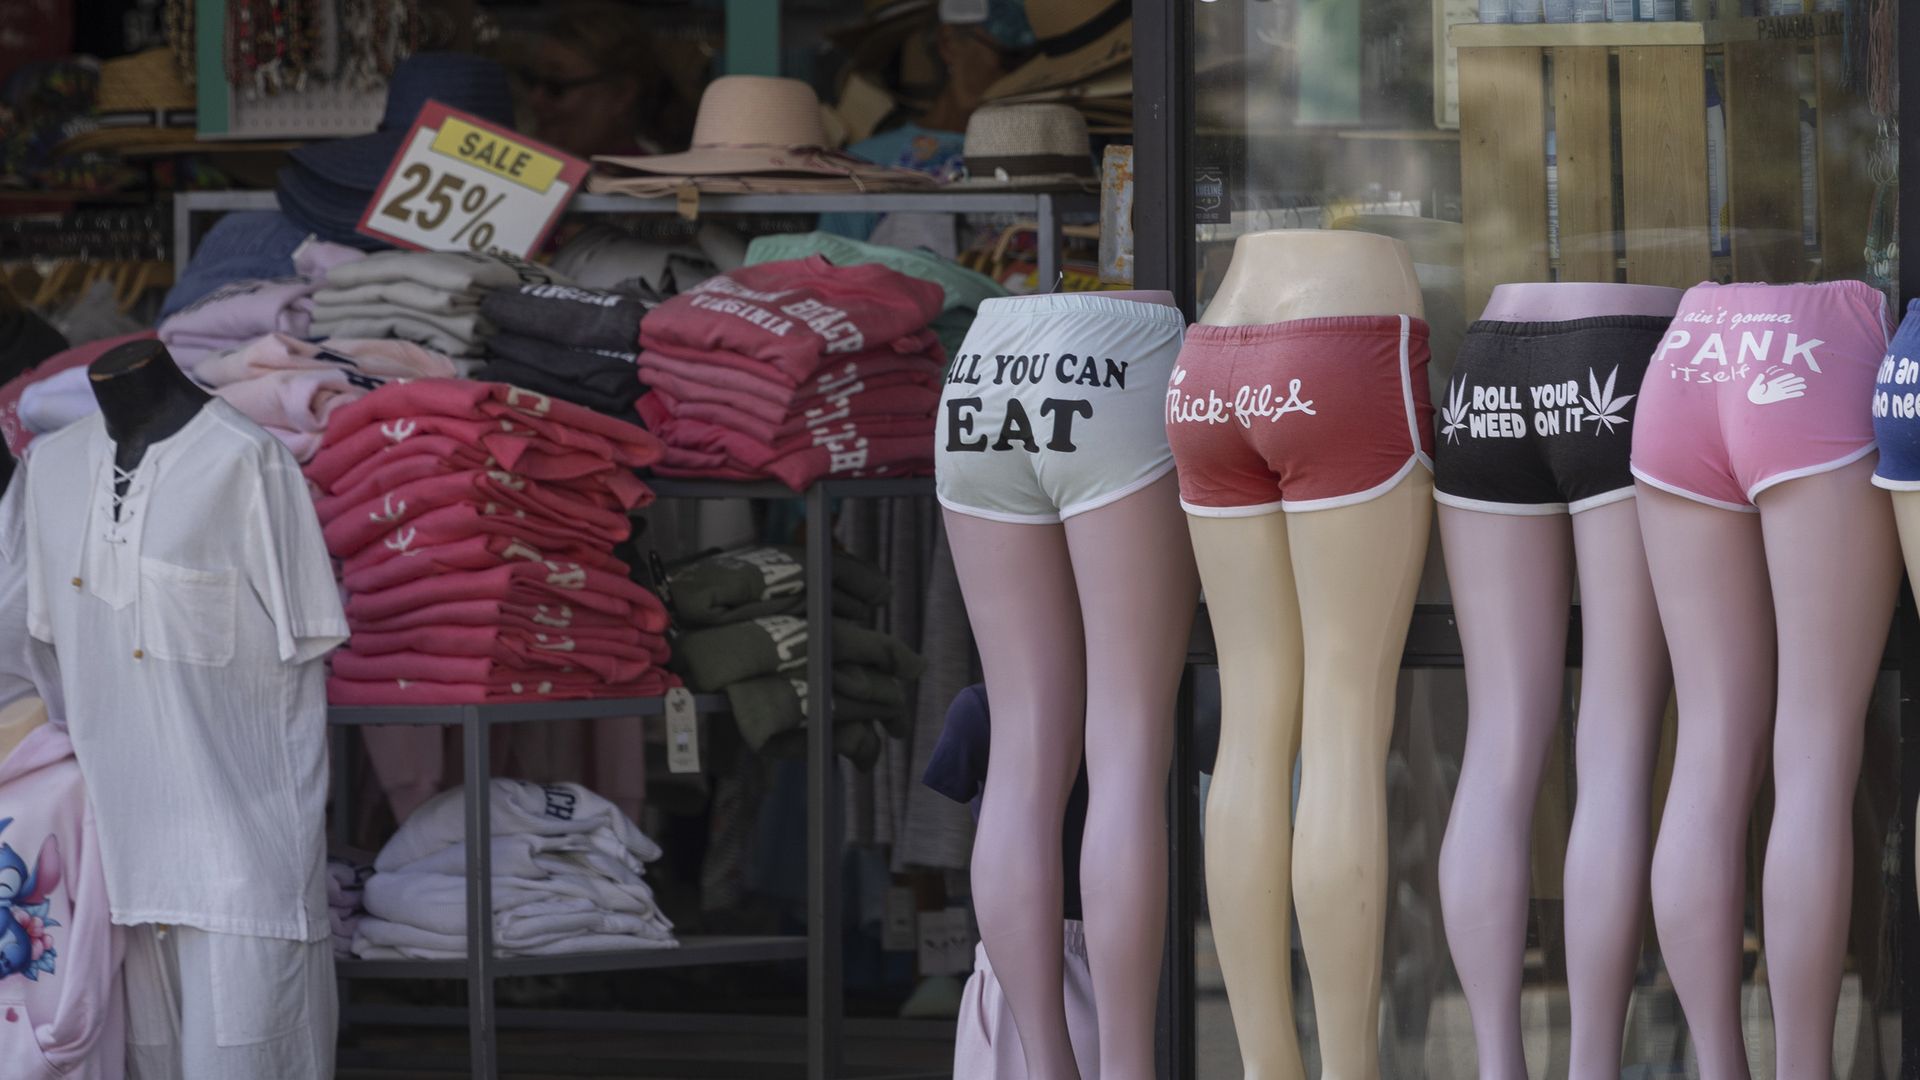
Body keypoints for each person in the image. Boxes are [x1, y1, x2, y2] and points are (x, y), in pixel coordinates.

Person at [516, 1, 691, 159]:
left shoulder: (654, 187)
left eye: (556, 86)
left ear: (622, 94)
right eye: (531, 80)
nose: (536, 100)